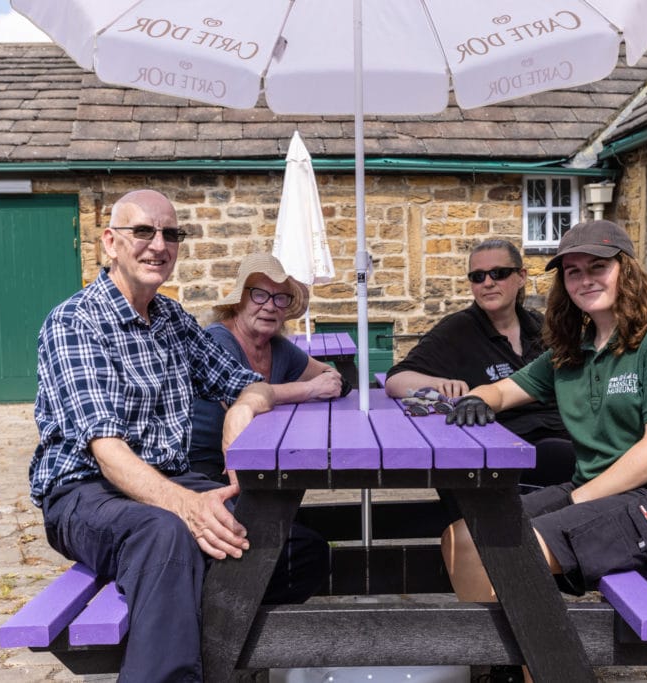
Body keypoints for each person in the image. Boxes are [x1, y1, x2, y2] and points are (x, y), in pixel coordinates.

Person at [30, 190, 328, 681]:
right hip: (87, 493)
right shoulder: (76, 322)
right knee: (165, 535)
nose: (158, 245)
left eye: (171, 234)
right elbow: (107, 453)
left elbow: (243, 384)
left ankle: (177, 607)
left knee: (298, 549)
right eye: (143, 231)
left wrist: (243, 408)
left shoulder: (171, 319)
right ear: (110, 242)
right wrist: (189, 507)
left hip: (172, 480)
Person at [444, 221, 647, 675]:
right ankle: (501, 660)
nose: (585, 279)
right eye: (573, 272)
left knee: (514, 554)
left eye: (598, 266)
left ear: (628, 271)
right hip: (599, 489)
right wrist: (480, 398)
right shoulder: (572, 349)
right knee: (463, 537)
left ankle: (541, 666)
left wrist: (576, 500)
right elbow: (507, 389)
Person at [385, 239, 573, 488]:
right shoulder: (458, 330)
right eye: (477, 276)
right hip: (503, 447)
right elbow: (395, 380)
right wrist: (440, 383)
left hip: (562, 433)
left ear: (521, 277)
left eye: (499, 273)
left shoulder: (541, 326)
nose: (488, 282)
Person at [189, 252, 347, 484]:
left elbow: (329, 374)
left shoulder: (277, 346)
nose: (270, 306)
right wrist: (310, 390)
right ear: (238, 301)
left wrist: (329, 382)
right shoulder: (217, 339)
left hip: (258, 457)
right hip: (203, 467)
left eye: (280, 298)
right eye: (259, 295)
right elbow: (241, 397)